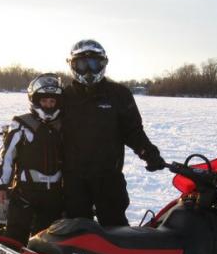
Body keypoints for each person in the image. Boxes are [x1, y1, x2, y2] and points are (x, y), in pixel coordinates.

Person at [61, 39, 165, 227]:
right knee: (75, 230)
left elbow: (133, 131)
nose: (88, 70)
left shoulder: (118, 94)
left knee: (116, 229)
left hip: (108, 175)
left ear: (103, 64)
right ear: (72, 65)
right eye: (82, 65)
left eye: (93, 64)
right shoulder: (64, 96)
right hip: (73, 177)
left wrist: (149, 152)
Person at [0, 73, 63, 245]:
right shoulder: (22, 124)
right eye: (44, 101)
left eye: (52, 102)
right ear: (35, 100)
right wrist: (2, 184)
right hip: (26, 192)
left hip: (54, 194)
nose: (48, 105)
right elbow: (7, 155)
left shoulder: (62, 125)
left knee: (45, 239)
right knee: (15, 234)